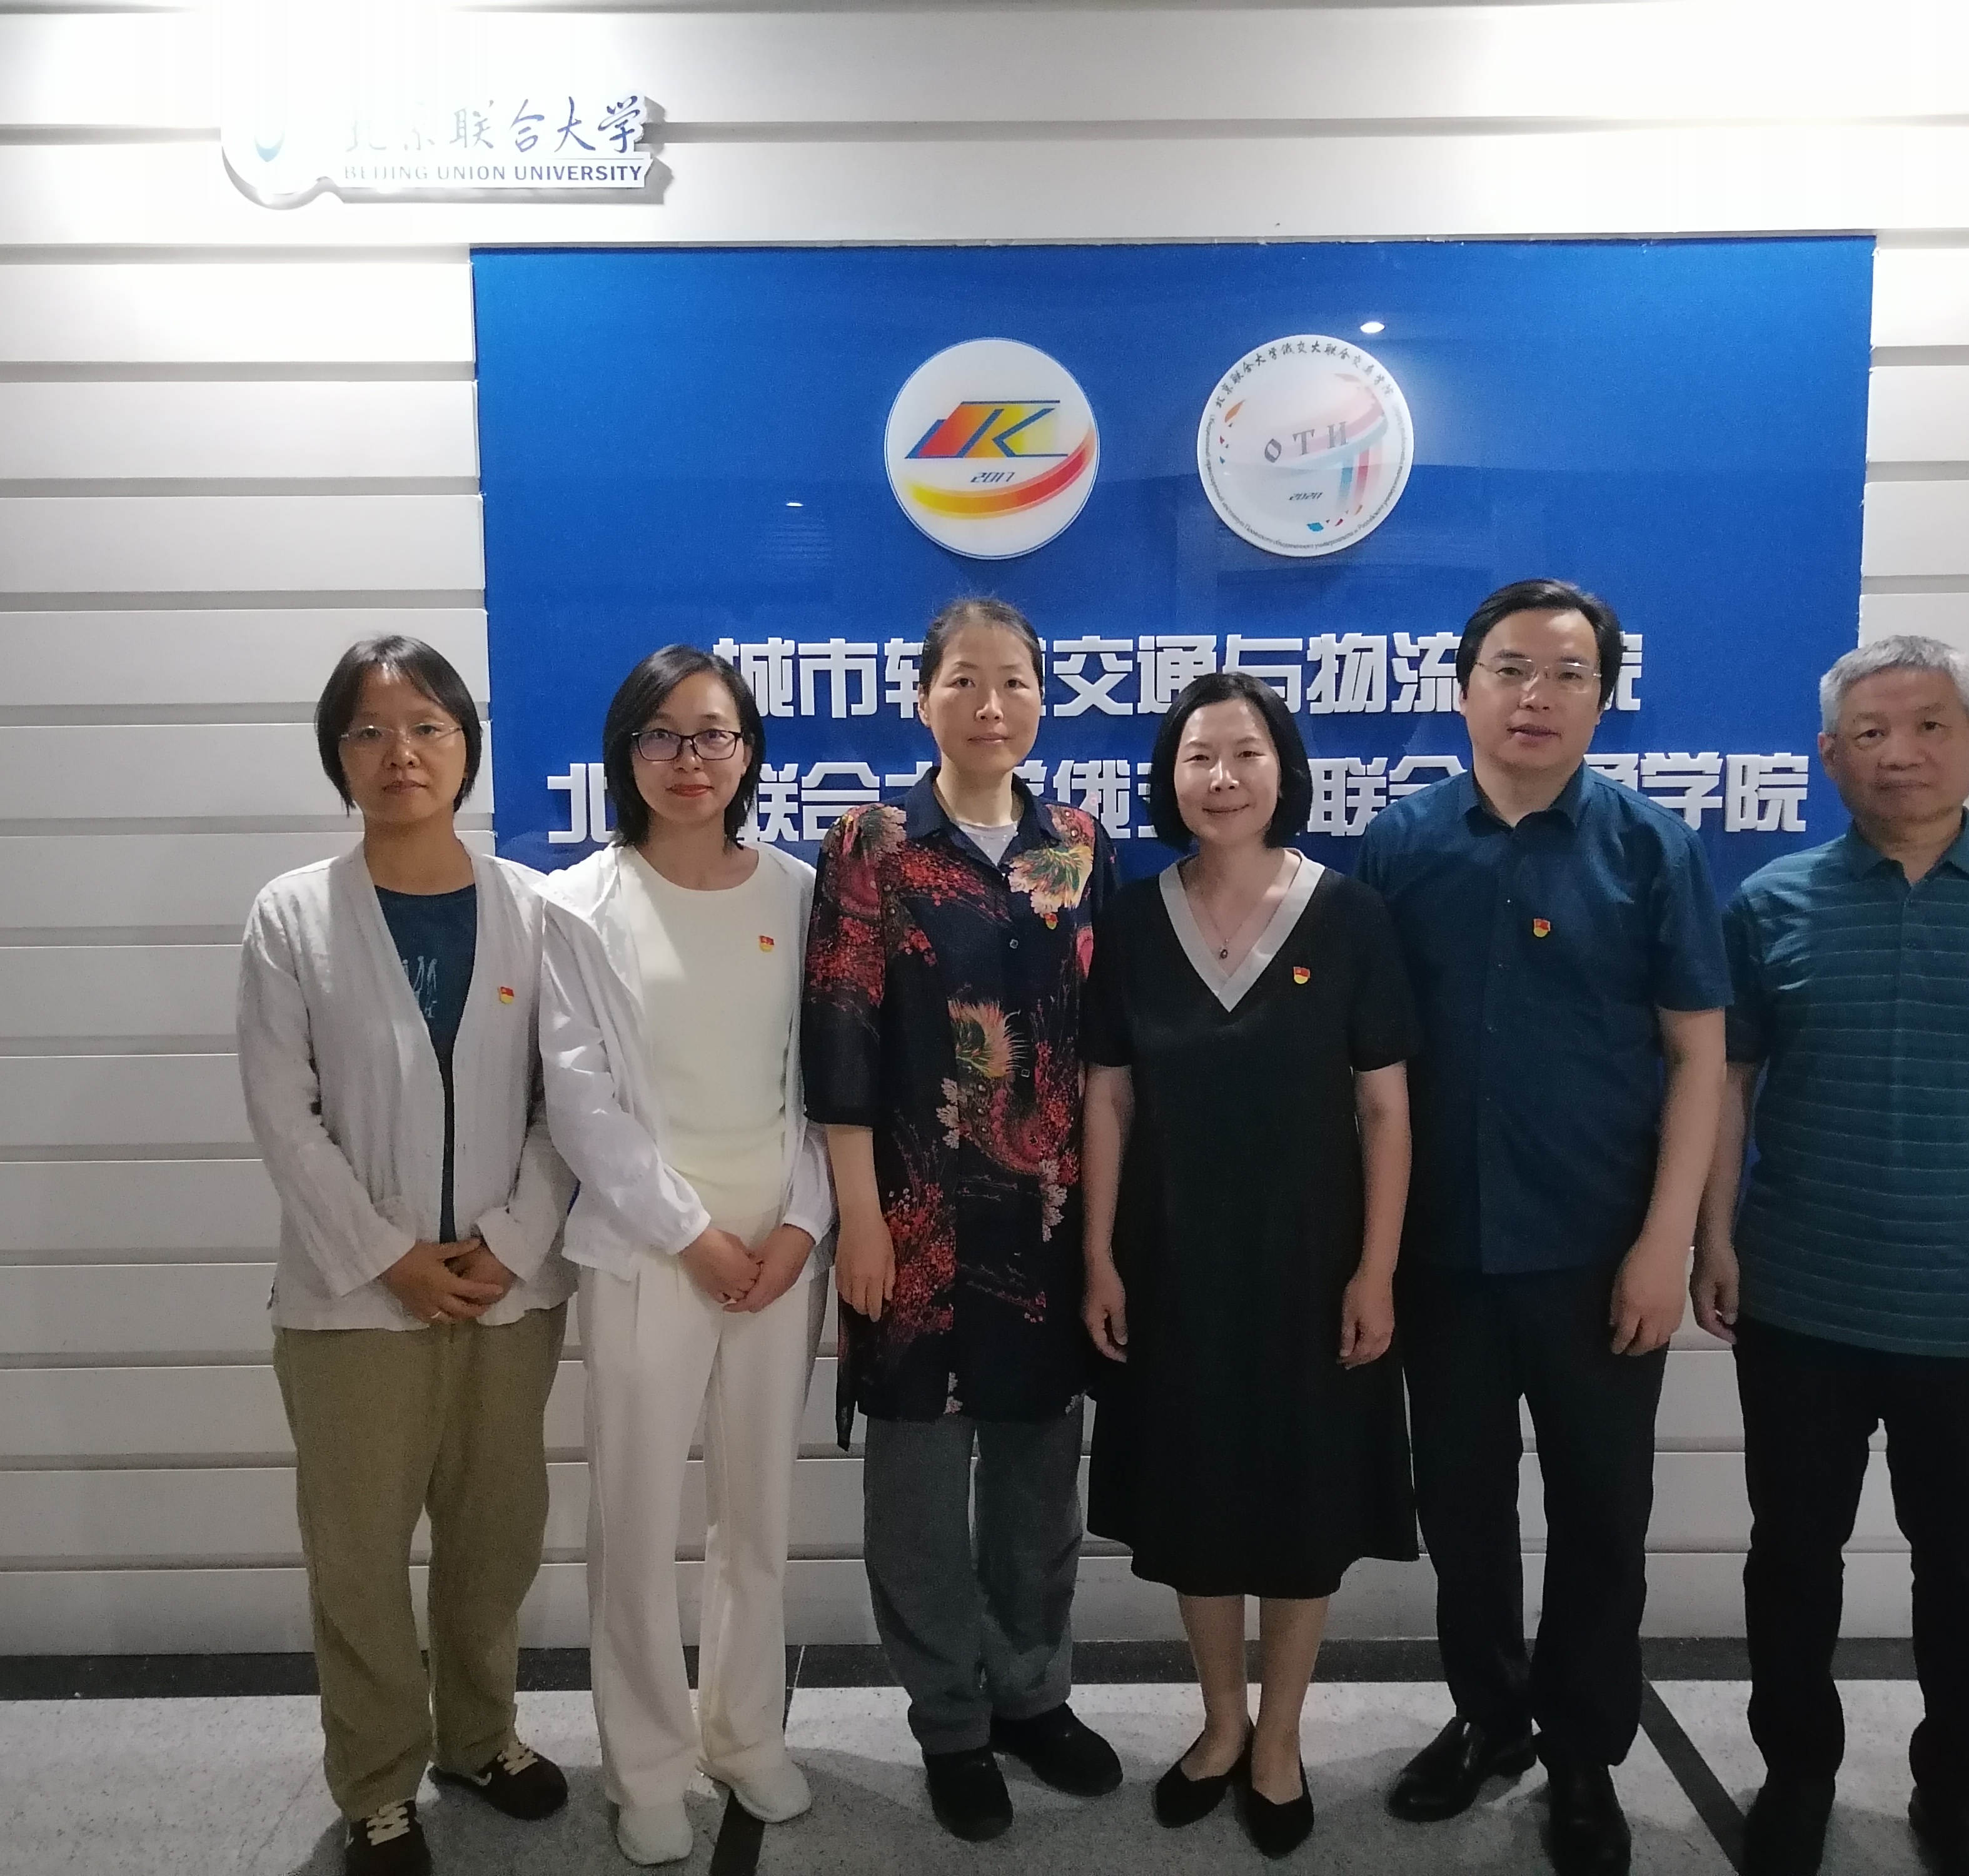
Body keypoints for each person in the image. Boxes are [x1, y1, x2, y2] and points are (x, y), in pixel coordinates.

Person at [1694, 637, 1969, 1876]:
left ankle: (1959, 1793)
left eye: (1928, 726)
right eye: (1869, 734)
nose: (1899, 754)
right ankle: (1796, 1775)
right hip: (1799, 1300)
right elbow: (1726, 1084)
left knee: (1966, 1568)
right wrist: (1712, 1236)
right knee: (1791, 1559)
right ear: (1828, 757)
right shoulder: (1772, 903)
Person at [1355, 578, 1729, 1876]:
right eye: (1510, 669)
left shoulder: (1649, 848)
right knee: (1462, 1508)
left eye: (1568, 673)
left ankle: (1582, 1752)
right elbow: (1363, 1069)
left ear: (1603, 697)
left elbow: (1697, 1055)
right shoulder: (1400, 844)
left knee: (1600, 1515)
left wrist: (1666, 1244)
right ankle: (1487, 1716)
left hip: (1597, 1254)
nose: (1536, 695)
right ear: (1463, 690)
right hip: (1441, 1255)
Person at [238, 637, 575, 1876]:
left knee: (496, 1537)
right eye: (370, 731)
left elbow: (568, 1103)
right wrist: (391, 1257)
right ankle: (378, 1781)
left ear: (466, 748)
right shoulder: (292, 917)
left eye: (428, 727)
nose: (401, 754)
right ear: (338, 756)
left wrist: (509, 1243)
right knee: (359, 1558)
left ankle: (480, 1738)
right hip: (350, 1308)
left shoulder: (536, 911)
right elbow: (284, 1116)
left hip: (504, 1296)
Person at [801, 596, 1124, 1842]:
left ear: (1044, 696)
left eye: (1015, 681)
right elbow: (839, 1037)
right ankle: (948, 1719)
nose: (992, 705)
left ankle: (1031, 1694)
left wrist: (1108, 1237)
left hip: (1047, 1221)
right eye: (964, 681)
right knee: (921, 1496)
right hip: (914, 1222)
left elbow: (1105, 1053)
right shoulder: (872, 844)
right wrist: (859, 1220)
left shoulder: (1079, 845)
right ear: (922, 695)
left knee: (1039, 1485)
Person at [1080, 672, 1418, 1858]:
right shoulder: (1133, 920)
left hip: (1312, 1261)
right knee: (1198, 1493)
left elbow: (1387, 1109)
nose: (1221, 777)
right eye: (1197, 757)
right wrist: (1099, 1258)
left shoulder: (1351, 915)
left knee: (1302, 1496)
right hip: (1170, 1259)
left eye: (1246, 753)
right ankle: (1221, 1723)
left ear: (1285, 770)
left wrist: (1377, 1270)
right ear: (1169, 778)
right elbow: (1108, 1100)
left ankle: (1280, 1738)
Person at [534, 647, 833, 1863]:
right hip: (647, 1254)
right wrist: (691, 1236)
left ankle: (745, 1734)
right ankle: (648, 1763)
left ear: (749, 751)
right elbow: (579, 1101)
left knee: (756, 1514)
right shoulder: (575, 905)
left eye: (713, 735)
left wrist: (800, 1226)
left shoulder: (800, 894)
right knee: (636, 1517)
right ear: (626, 754)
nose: (689, 759)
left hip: (779, 1256)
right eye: (660, 735)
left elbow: (827, 1084)